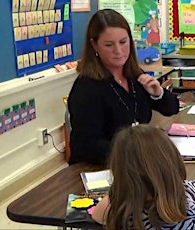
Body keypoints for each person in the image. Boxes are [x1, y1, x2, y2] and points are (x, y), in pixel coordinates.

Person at [68, 9, 178, 166]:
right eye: (109, 45)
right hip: (100, 167)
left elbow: (172, 108)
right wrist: (137, 150)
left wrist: (158, 93)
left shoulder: (134, 75)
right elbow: (87, 146)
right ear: (94, 45)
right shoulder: (87, 88)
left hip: (136, 163)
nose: (118, 51)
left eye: (123, 42)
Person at [91, 125, 195, 229]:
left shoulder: (118, 204)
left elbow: (96, 216)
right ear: (172, 158)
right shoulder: (193, 192)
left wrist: (120, 189)